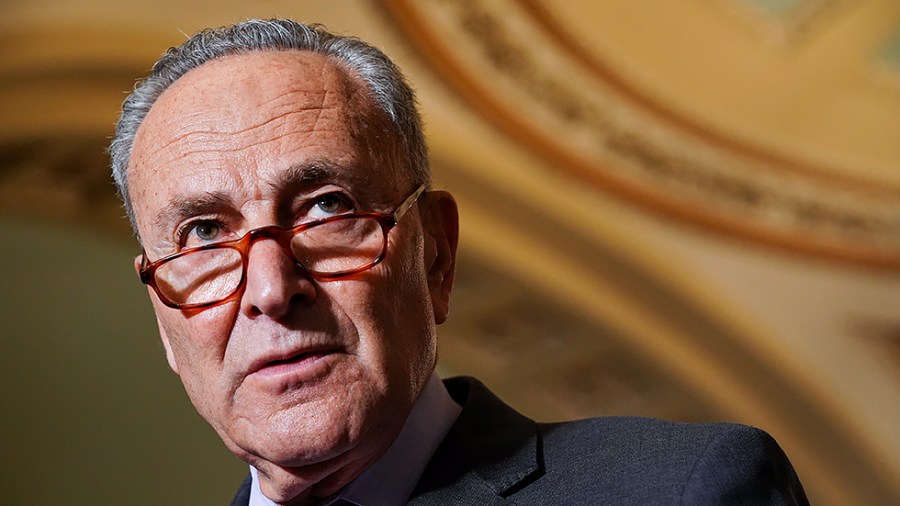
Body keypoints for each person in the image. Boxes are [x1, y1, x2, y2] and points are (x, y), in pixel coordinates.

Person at [110, 19, 808, 506]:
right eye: (203, 234)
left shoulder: (679, 491)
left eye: (325, 207)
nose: (269, 288)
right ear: (164, 319)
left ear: (435, 253)